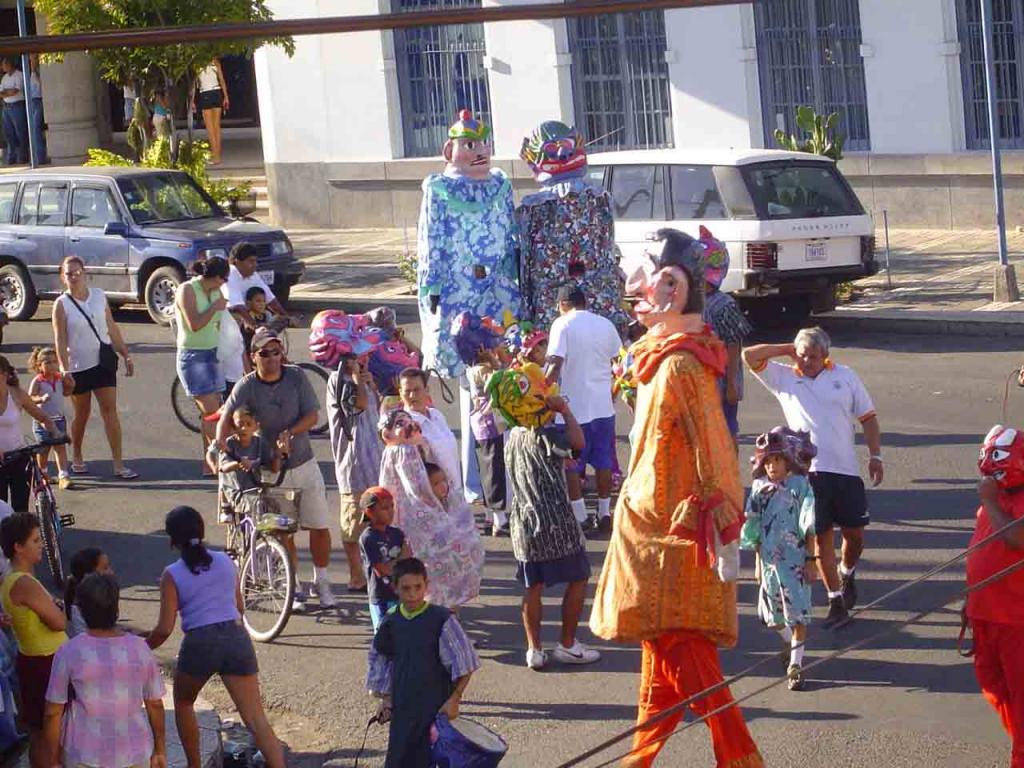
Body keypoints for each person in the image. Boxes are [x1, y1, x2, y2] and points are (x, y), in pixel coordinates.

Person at [589, 228, 763, 767]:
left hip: (674, 538)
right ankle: (638, 760)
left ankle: (740, 759)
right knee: (660, 660)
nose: (645, 287)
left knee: (684, 656)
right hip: (648, 529)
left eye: (665, 279)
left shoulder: (683, 364)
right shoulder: (657, 358)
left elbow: (716, 448)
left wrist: (720, 522)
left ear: (680, 290)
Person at [743, 326, 884, 628]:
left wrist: (875, 456)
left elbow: (868, 417)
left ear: (826, 356)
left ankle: (847, 574)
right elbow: (748, 355)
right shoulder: (783, 377)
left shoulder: (845, 376)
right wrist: (786, 348)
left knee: (855, 536)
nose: (807, 362)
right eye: (803, 355)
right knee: (820, 538)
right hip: (807, 474)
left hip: (845, 470)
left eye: (813, 357)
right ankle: (835, 601)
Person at [147, 505, 284, 768]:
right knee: (256, 718)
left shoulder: (172, 574)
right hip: (235, 636)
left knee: (184, 701)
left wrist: (142, 646)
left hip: (200, 642)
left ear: (171, 541)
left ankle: (195, 765)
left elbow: (164, 628)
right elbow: (240, 607)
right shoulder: (224, 561)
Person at [488, 365, 600, 670]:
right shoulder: (546, 434)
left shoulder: (513, 436)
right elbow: (578, 443)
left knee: (532, 586)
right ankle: (567, 644)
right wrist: (564, 410)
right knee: (578, 577)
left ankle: (534, 650)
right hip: (555, 520)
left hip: (524, 523)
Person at [217, 327, 336, 608]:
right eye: (264, 353)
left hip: (304, 462)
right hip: (271, 470)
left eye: (276, 351)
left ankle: (322, 580)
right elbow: (224, 419)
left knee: (319, 525)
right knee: (283, 532)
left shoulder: (296, 376)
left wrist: (291, 432)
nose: (271, 358)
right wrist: (220, 445)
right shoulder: (245, 386)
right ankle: (293, 587)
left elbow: (313, 415)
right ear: (253, 357)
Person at [43, 573, 166, 768]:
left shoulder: (69, 651)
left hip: (83, 753)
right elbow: (155, 704)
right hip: (134, 751)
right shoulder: (141, 648)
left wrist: (52, 759)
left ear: (81, 611)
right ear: (116, 608)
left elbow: (53, 711)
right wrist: (160, 750)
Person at [367, 557, 479, 766]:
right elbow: (382, 661)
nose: (412, 594)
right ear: (395, 588)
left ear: (426, 586)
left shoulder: (442, 620)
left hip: (435, 713)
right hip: (402, 712)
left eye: (418, 587)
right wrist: (387, 699)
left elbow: (466, 664)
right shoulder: (390, 622)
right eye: (406, 588)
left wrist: (454, 699)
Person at [377, 408, 484, 610]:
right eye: (400, 423)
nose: (408, 426)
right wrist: (436, 510)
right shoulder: (402, 452)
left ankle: (446, 606)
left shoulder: (416, 446)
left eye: (408, 421)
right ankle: (439, 607)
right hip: (415, 515)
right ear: (387, 434)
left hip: (425, 511)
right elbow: (416, 489)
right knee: (440, 556)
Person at [741, 427, 817, 692]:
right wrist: (758, 563)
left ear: (788, 461)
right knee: (771, 618)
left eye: (777, 460)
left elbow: (809, 526)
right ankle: (788, 643)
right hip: (770, 564)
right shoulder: (759, 490)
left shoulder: (800, 487)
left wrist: (811, 559)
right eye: (768, 461)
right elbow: (753, 527)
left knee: (797, 617)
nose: (772, 466)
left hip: (795, 562)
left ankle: (796, 665)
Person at [545, 286, 622, 533]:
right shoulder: (605, 324)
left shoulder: (562, 324)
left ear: (564, 304)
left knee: (571, 463)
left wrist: (541, 389)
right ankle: (603, 512)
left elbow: (555, 363)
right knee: (603, 461)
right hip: (603, 406)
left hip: (572, 409)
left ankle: (580, 516)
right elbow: (616, 357)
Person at [52, 255, 137, 479]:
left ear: (85, 272)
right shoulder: (61, 305)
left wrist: (125, 354)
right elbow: (60, 340)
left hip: (104, 360)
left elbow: (110, 326)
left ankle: (118, 464)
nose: (74, 277)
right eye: (69, 273)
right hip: (78, 366)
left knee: (110, 411)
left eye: (77, 272)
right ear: (63, 277)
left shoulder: (99, 296)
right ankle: (77, 455)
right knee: (82, 413)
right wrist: (64, 369)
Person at [969, 425, 1024, 768]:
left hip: (1015, 620)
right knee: (993, 688)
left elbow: (1018, 539)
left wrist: (989, 501)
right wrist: (969, 599)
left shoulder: (1002, 501)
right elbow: (978, 549)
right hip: (984, 614)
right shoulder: (993, 502)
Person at [0, 513, 66, 768]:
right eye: (36, 540)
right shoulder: (26, 583)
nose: (42, 544)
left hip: (32, 658)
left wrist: (50, 605)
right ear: (18, 547)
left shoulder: (11, 580)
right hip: (47, 663)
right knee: (52, 734)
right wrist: (55, 608)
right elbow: (59, 622)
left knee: (39, 731)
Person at [327, 353, 382, 593]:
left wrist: (371, 385)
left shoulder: (364, 378)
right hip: (353, 464)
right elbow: (358, 405)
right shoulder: (338, 381)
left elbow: (377, 410)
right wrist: (358, 380)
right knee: (352, 526)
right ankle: (356, 576)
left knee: (380, 517)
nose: (364, 361)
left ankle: (378, 572)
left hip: (376, 459)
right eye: (359, 358)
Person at [701, 227, 750, 442]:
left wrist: (731, 384)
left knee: (726, 432)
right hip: (700, 383)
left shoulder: (724, 305)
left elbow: (734, 344)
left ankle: (729, 473)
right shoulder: (691, 300)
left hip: (721, 383)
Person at [175, 256, 229, 445]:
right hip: (193, 355)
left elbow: (222, 322)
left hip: (213, 353)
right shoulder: (187, 290)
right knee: (212, 412)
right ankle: (224, 457)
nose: (224, 284)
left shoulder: (217, 292)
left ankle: (211, 463)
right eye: (224, 279)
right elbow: (194, 324)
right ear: (216, 278)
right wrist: (214, 307)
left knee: (213, 414)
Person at [0, 356, 60, 511]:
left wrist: (54, 432)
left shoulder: (17, 395)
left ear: (5, 375)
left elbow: (42, 417)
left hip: (18, 456)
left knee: (20, 508)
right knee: (1, 508)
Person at [398, 368, 462, 500]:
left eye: (416, 390)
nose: (412, 396)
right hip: (430, 499)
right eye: (407, 391)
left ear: (426, 390)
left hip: (453, 493)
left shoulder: (436, 415)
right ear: (400, 393)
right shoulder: (404, 425)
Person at [210, 406, 279, 522]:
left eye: (248, 424)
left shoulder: (260, 443)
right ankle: (227, 508)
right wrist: (238, 463)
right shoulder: (229, 444)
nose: (244, 428)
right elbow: (223, 468)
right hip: (236, 490)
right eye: (240, 424)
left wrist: (280, 453)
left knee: (275, 507)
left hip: (256, 488)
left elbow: (274, 467)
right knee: (254, 507)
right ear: (233, 426)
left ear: (256, 426)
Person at [358, 487, 409, 631]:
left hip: (400, 593)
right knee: (383, 632)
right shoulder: (368, 538)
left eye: (392, 506)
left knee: (401, 630)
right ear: (370, 512)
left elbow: (408, 559)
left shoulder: (397, 534)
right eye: (385, 508)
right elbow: (382, 569)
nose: (391, 511)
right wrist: (402, 558)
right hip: (381, 594)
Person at [26, 346, 71, 489]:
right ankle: (43, 474)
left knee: (60, 447)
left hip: (59, 419)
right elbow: (30, 398)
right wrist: (40, 399)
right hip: (42, 421)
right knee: (44, 450)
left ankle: (63, 475)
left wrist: (71, 383)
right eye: (47, 363)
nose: (52, 365)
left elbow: (67, 392)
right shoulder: (38, 381)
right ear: (39, 366)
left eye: (54, 362)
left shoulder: (59, 378)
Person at [224, 243, 291, 327]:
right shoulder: (229, 274)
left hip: (246, 322)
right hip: (229, 325)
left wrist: (287, 318)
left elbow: (271, 299)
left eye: (256, 261)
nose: (255, 265)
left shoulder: (253, 275)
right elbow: (238, 307)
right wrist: (256, 327)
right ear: (237, 261)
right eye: (251, 261)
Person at [63, 546, 113, 638]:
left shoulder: (95, 598)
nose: (111, 572)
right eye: (105, 568)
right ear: (88, 577)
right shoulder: (82, 608)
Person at [194, 59, 229, 165]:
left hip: (205, 93)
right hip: (217, 92)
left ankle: (215, 157)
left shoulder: (197, 63)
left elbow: (195, 84)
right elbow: (222, 80)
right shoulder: (216, 62)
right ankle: (217, 155)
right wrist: (226, 96)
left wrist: (192, 101)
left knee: (210, 129)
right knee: (216, 127)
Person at [0, 58, 27, 165]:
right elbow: (1, 93)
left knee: (20, 132)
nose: (3, 67)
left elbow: (15, 91)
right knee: (8, 133)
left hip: (17, 106)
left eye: (4, 64)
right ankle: (11, 158)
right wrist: (7, 92)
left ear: (9, 64)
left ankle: (23, 157)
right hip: (6, 107)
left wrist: (6, 92)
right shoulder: (4, 78)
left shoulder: (19, 75)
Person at [26, 55, 46, 166]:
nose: (31, 62)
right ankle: (36, 156)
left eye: (33, 59)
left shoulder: (40, 72)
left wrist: (36, 73)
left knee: (36, 128)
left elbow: (43, 86)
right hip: (32, 101)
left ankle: (40, 157)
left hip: (40, 100)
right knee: (33, 129)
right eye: (30, 60)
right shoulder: (30, 73)